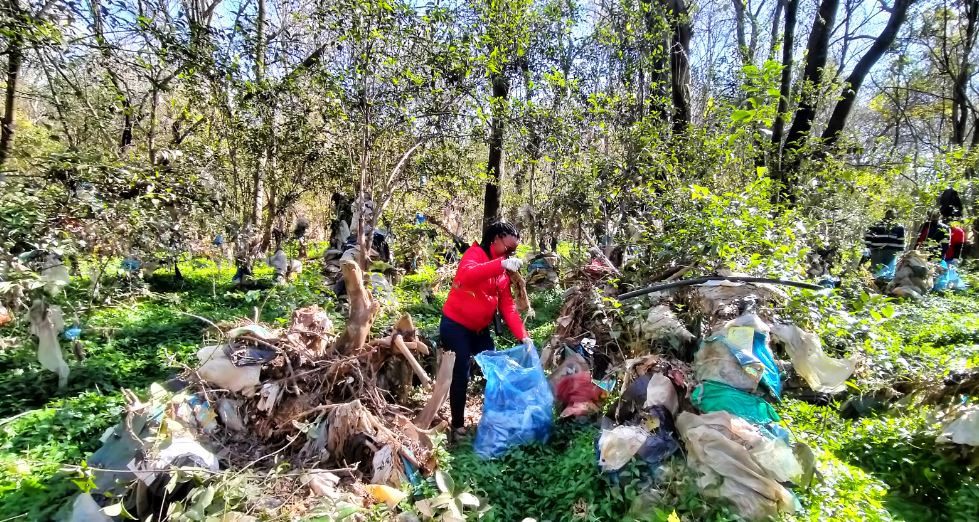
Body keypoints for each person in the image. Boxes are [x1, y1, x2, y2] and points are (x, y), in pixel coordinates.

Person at [440, 221, 533, 442]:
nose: (511, 253)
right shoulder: (475, 254)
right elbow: (467, 276)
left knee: (495, 370)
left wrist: (524, 336)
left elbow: (507, 307)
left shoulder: (502, 272)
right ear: (495, 239)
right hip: (456, 325)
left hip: (479, 330)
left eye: (514, 251)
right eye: (508, 248)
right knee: (461, 372)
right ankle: (458, 426)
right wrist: (502, 263)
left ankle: (497, 420)